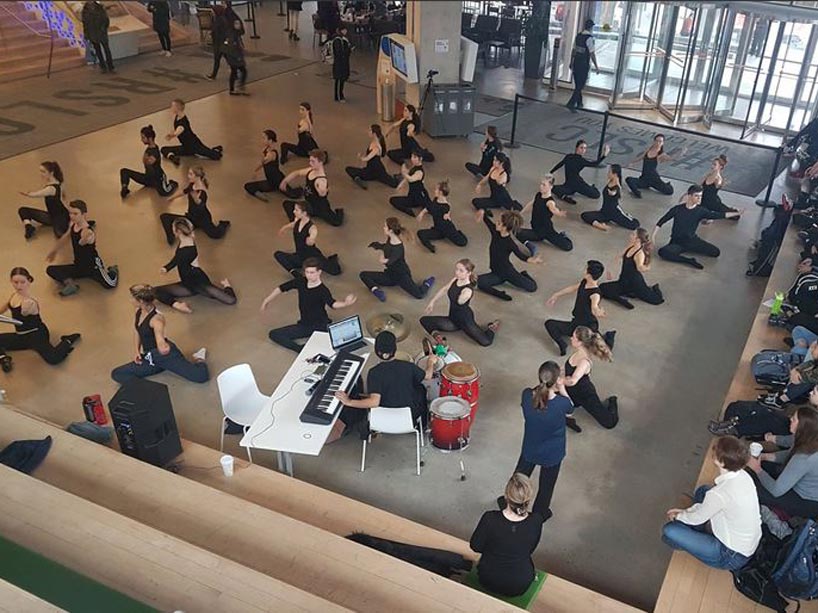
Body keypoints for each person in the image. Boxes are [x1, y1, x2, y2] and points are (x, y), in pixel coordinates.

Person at [663, 436, 761, 571]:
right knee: (704, 491)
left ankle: (687, 539)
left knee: (670, 530)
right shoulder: (744, 476)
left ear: (721, 462)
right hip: (746, 544)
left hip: (729, 555)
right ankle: (695, 534)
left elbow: (698, 516)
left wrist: (679, 515)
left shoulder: (719, 494)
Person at [332, 330, 437, 441]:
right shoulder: (408, 366)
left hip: (381, 419)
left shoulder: (374, 372)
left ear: (377, 351)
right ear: (395, 350)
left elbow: (374, 402)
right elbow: (428, 376)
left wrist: (349, 402)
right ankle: (423, 425)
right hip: (410, 417)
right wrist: (430, 362)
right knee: (420, 389)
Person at [502, 361, 573, 520]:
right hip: (552, 452)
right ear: (555, 381)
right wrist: (562, 388)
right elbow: (571, 409)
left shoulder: (527, 395)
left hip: (530, 446)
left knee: (520, 474)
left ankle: (510, 499)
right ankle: (540, 512)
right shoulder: (562, 404)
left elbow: (537, 398)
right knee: (547, 485)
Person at [111, 284, 209, 384]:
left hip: (164, 356)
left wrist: (162, 346)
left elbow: (160, 339)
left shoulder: (157, 320)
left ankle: (199, 358)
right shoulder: (139, 310)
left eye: (132, 297)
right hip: (150, 358)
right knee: (117, 373)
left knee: (201, 376)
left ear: (140, 301)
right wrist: (136, 351)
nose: (130, 300)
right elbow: (137, 330)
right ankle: (152, 385)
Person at [470, 474, 544, 597]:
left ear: (506, 496)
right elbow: (531, 549)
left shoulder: (490, 518)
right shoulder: (536, 520)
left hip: (487, 579)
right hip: (519, 584)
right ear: (529, 498)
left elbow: (475, 546)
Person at [262, 257, 356, 353]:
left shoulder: (323, 290)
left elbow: (332, 303)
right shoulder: (301, 281)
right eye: (307, 272)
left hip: (321, 325)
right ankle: (300, 349)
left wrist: (345, 303)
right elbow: (282, 288)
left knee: (342, 341)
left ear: (319, 272)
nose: (309, 275)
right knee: (274, 334)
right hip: (304, 324)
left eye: (312, 272)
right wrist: (267, 300)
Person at [0, 267, 81, 373]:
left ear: (29, 281)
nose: (19, 286)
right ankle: (3, 358)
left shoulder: (30, 302)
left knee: (53, 359)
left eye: (22, 282)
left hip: (36, 335)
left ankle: (68, 340)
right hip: (22, 335)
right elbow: (4, 308)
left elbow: (21, 317)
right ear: (11, 281)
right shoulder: (14, 296)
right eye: (15, 282)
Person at [747, 406, 818, 520]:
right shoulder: (810, 440)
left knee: (753, 488)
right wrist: (765, 457)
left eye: (794, 419)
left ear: (801, 427)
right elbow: (790, 454)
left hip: (805, 500)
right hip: (802, 482)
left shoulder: (804, 457)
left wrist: (757, 469)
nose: (790, 419)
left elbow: (776, 490)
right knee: (762, 466)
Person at [154, 218, 236, 313]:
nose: (171, 230)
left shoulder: (188, 249)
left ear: (178, 231)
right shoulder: (185, 240)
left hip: (198, 282)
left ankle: (227, 286)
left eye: (173, 228)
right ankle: (178, 305)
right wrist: (166, 268)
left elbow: (177, 259)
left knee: (230, 300)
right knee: (156, 291)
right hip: (187, 282)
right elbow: (177, 258)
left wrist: (166, 268)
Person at [653, 184, 741, 269]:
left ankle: (689, 250)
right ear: (689, 195)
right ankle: (689, 261)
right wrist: (653, 237)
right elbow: (661, 222)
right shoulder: (677, 209)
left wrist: (736, 213)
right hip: (677, 242)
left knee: (716, 252)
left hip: (692, 241)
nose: (699, 199)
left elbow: (718, 215)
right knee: (663, 252)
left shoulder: (701, 211)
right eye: (696, 196)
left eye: (700, 196)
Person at [45, 200, 119, 296]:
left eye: (75, 214)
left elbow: (82, 242)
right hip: (79, 265)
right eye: (70, 213)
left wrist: (85, 237)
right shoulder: (73, 225)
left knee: (110, 284)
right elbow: (65, 237)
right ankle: (70, 284)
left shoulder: (88, 231)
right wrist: (54, 251)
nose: (72, 216)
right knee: (51, 269)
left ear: (83, 214)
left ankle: (113, 270)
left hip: (93, 267)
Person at [421, 259, 499, 347]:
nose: (457, 272)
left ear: (468, 273)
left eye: (461, 271)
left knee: (486, 342)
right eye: (456, 269)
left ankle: (492, 327)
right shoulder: (456, 279)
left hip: (464, 320)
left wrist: (464, 292)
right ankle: (438, 338)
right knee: (424, 320)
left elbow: (458, 301)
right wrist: (432, 302)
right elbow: (445, 289)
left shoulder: (467, 291)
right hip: (452, 318)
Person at [545, 260, 616, 356]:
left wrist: (598, 312)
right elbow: (573, 288)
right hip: (576, 323)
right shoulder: (584, 282)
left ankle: (608, 336)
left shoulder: (595, 294)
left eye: (585, 269)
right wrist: (556, 295)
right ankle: (562, 344)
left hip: (588, 327)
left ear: (589, 275)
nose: (583, 270)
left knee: (604, 349)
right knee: (549, 324)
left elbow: (594, 307)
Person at [360, 218, 435, 301]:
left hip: (401, 276)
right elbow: (387, 247)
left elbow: (388, 261)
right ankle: (376, 291)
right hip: (390, 274)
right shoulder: (390, 238)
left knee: (419, 295)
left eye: (385, 226)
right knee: (363, 275)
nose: (383, 228)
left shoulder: (398, 248)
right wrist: (379, 246)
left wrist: (382, 256)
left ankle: (427, 283)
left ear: (391, 230)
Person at [475, 209, 542, 301]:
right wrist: (482, 213)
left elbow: (521, 255)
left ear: (505, 227)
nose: (496, 223)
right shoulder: (496, 232)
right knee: (479, 282)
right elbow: (488, 222)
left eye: (499, 223)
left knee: (532, 287)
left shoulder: (510, 243)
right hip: (496, 272)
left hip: (508, 273)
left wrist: (532, 260)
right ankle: (501, 294)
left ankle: (524, 275)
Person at [562, 326, 617, 430]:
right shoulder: (578, 352)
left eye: (573, 337)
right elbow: (568, 367)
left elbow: (573, 380)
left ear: (580, 342)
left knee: (609, 422)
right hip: (571, 390)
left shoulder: (584, 362)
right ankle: (569, 413)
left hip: (584, 394)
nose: (570, 338)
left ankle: (613, 403)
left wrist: (561, 380)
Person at [161, 166, 230, 244]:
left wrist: (195, 199)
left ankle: (223, 224)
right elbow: (184, 191)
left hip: (203, 220)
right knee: (164, 217)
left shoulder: (202, 191)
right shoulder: (192, 185)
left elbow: (201, 206)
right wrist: (172, 198)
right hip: (191, 217)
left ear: (197, 177)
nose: (188, 176)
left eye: (191, 174)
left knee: (216, 234)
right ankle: (171, 237)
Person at [600, 229, 663, 309]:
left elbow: (640, 268)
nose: (630, 235)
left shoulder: (639, 254)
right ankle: (622, 299)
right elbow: (619, 255)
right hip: (623, 281)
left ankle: (655, 288)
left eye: (633, 234)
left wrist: (647, 267)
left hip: (635, 284)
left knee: (657, 300)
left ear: (638, 239)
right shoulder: (631, 246)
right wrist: (609, 270)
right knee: (603, 288)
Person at [274, 201, 341, 276]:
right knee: (278, 255)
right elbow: (294, 224)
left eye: (296, 210)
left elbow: (313, 235)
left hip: (312, 258)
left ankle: (332, 260)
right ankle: (295, 273)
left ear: (304, 213)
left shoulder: (312, 228)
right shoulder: (298, 221)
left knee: (335, 271)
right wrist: (284, 228)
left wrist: (311, 239)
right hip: (300, 256)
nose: (293, 211)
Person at [280, 149, 344, 226]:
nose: (310, 163)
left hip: (320, 208)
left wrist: (322, 191)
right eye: (310, 161)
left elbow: (322, 194)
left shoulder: (321, 180)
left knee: (337, 222)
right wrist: (285, 182)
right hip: (308, 204)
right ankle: (296, 222)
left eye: (313, 161)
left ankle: (340, 211)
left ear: (320, 162)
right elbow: (297, 173)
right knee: (286, 204)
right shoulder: (310, 170)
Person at [120, 125, 179, 199]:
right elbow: (145, 161)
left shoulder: (155, 151)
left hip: (158, 179)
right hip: (148, 178)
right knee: (124, 171)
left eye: (143, 138)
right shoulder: (149, 149)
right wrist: (146, 159)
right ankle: (124, 188)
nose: (141, 140)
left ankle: (173, 184)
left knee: (164, 193)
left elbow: (147, 162)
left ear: (150, 138)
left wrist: (146, 158)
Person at [517, 175, 572, 252]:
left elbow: (553, 209)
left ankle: (563, 235)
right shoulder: (538, 195)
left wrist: (558, 213)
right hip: (536, 230)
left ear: (551, 187)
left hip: (546, 231)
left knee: (568, 247)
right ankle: (530, 246)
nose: (541, 186)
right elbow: (531, 203)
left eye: (544, 185)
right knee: (516, 231)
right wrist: (521, 213)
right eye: (541, 184)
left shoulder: (550, 201)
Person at [160, 99, 223, 165]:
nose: (171, 108)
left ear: (177, 108)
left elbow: (179, 130)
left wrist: (172, 135)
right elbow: (176, 129)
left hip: (194, 145)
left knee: (216, 156)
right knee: (164, 149)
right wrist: (172, 133)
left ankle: (215, 150)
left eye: (172, 106)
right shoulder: (177, 117)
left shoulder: (183, 121)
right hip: (186, 147)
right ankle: (173, 158)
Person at [17, 161, 69, 240]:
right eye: (40, 171)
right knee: (23, 210)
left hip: (60, 217)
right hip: (51, 215)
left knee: (59, 234)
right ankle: (28, 227)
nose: (41, 174)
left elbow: (36, 194)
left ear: (51, 173)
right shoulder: (58, 183)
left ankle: (73, 225)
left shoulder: (51, 188)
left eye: (43, 172)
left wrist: (27, 194)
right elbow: (64, 198)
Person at [580, 164, 639, 231]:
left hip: (615, 213)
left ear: (615, 174)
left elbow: (617, 192)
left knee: (634, 225)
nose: (608, 173)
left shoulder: (617, 187)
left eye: (609, 172)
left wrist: (613, 193)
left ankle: (626, 215)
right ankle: (601, 226)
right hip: (604, 212)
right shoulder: (610, 181)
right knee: (584, 215)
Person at [416, 181, 468, 253]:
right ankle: (431, 247)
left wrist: (448, 214)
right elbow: (430, 206)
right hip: (438, 229)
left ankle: (458, 232)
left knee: (462, 242)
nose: (434, 191)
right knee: (420, 233)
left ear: (440, 192)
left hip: (447, 229)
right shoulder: (436, 199)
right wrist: (422, 213)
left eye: (436, 189)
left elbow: (447, 207)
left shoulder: (445, 206)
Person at [346, 125, 399, 189]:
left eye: (370, 130)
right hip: (369, 169)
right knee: (348, 169)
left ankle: (359, 178)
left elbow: (367, 158)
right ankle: (358, 179)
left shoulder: (376, 147)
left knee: (394, 184)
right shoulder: (374, 141)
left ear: (374, 133)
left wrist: (360, 157)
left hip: (378, 170)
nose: (368, 132)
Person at [244, 130, 285, 201]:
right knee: (248, 186)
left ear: (270, 140)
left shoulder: (271, 154)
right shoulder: (266, 150)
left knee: (292, 194)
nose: (262, 140)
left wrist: (255, 171)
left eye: (264, 138)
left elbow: (262, 163)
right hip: (270, 181)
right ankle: (262, 196)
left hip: (277, 180)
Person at [566, 19, 597, 112]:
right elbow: (592, 53)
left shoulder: (578, 36)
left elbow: (574, 50)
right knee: (580, 85)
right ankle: (571, 103)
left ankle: (580, 103)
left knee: (578, 84)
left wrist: (571, 62)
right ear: (591, 27)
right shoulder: (589, 38)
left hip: (576, 63)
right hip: (583, 64)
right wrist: (596, 66)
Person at [390, 150, 431, 216]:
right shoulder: (414, 166)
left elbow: (411, 179)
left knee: (431, 209)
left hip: (420, 196)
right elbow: (409, 175)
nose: (412, 159)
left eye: (415, 157)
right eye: (412, 157)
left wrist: (403, 173)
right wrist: (401, 184)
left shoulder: (420, 172)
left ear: (420, 159)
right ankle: (410, 209)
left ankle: (409, 211)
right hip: (412, 196)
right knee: (393, 200)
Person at [82, 1, 114, 73]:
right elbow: (85, 24)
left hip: (101, 32)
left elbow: (105, 19)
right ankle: (103, 66)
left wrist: (103, 28)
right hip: (92, 33)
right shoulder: (85, 11)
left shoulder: (100, 8)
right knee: (98, 50)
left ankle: (110, 66)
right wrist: (86, 34)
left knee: (106, 49)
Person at [223, 14, 248, 96]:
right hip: (234, 57)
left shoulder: (235, 33)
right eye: (236, 24)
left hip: (235, 56)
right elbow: (232, 47)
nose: (239, 25)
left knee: (235, 72)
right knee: (241, 71)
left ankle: (233, 89)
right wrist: (238, 57)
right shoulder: (232, 35)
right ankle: (238, 87)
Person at [205, 5, 228, 80]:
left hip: (220, 44)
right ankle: (213, 75)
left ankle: (213, 75)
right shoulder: (218, 19)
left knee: (224, 59)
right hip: (218, 44)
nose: (212, 12)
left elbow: (221, 32)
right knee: (219, 60)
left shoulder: (220, 20)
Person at [331, 25, 352, 102]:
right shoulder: (339, 40)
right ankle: (339, 96)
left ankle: (338, 96)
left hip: (340, 63)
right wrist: (348, 50)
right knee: (339, 80)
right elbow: (339, 52)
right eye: (344, 30)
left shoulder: (342, 39)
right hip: (340, 63)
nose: (346, 31)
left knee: (339, 80)